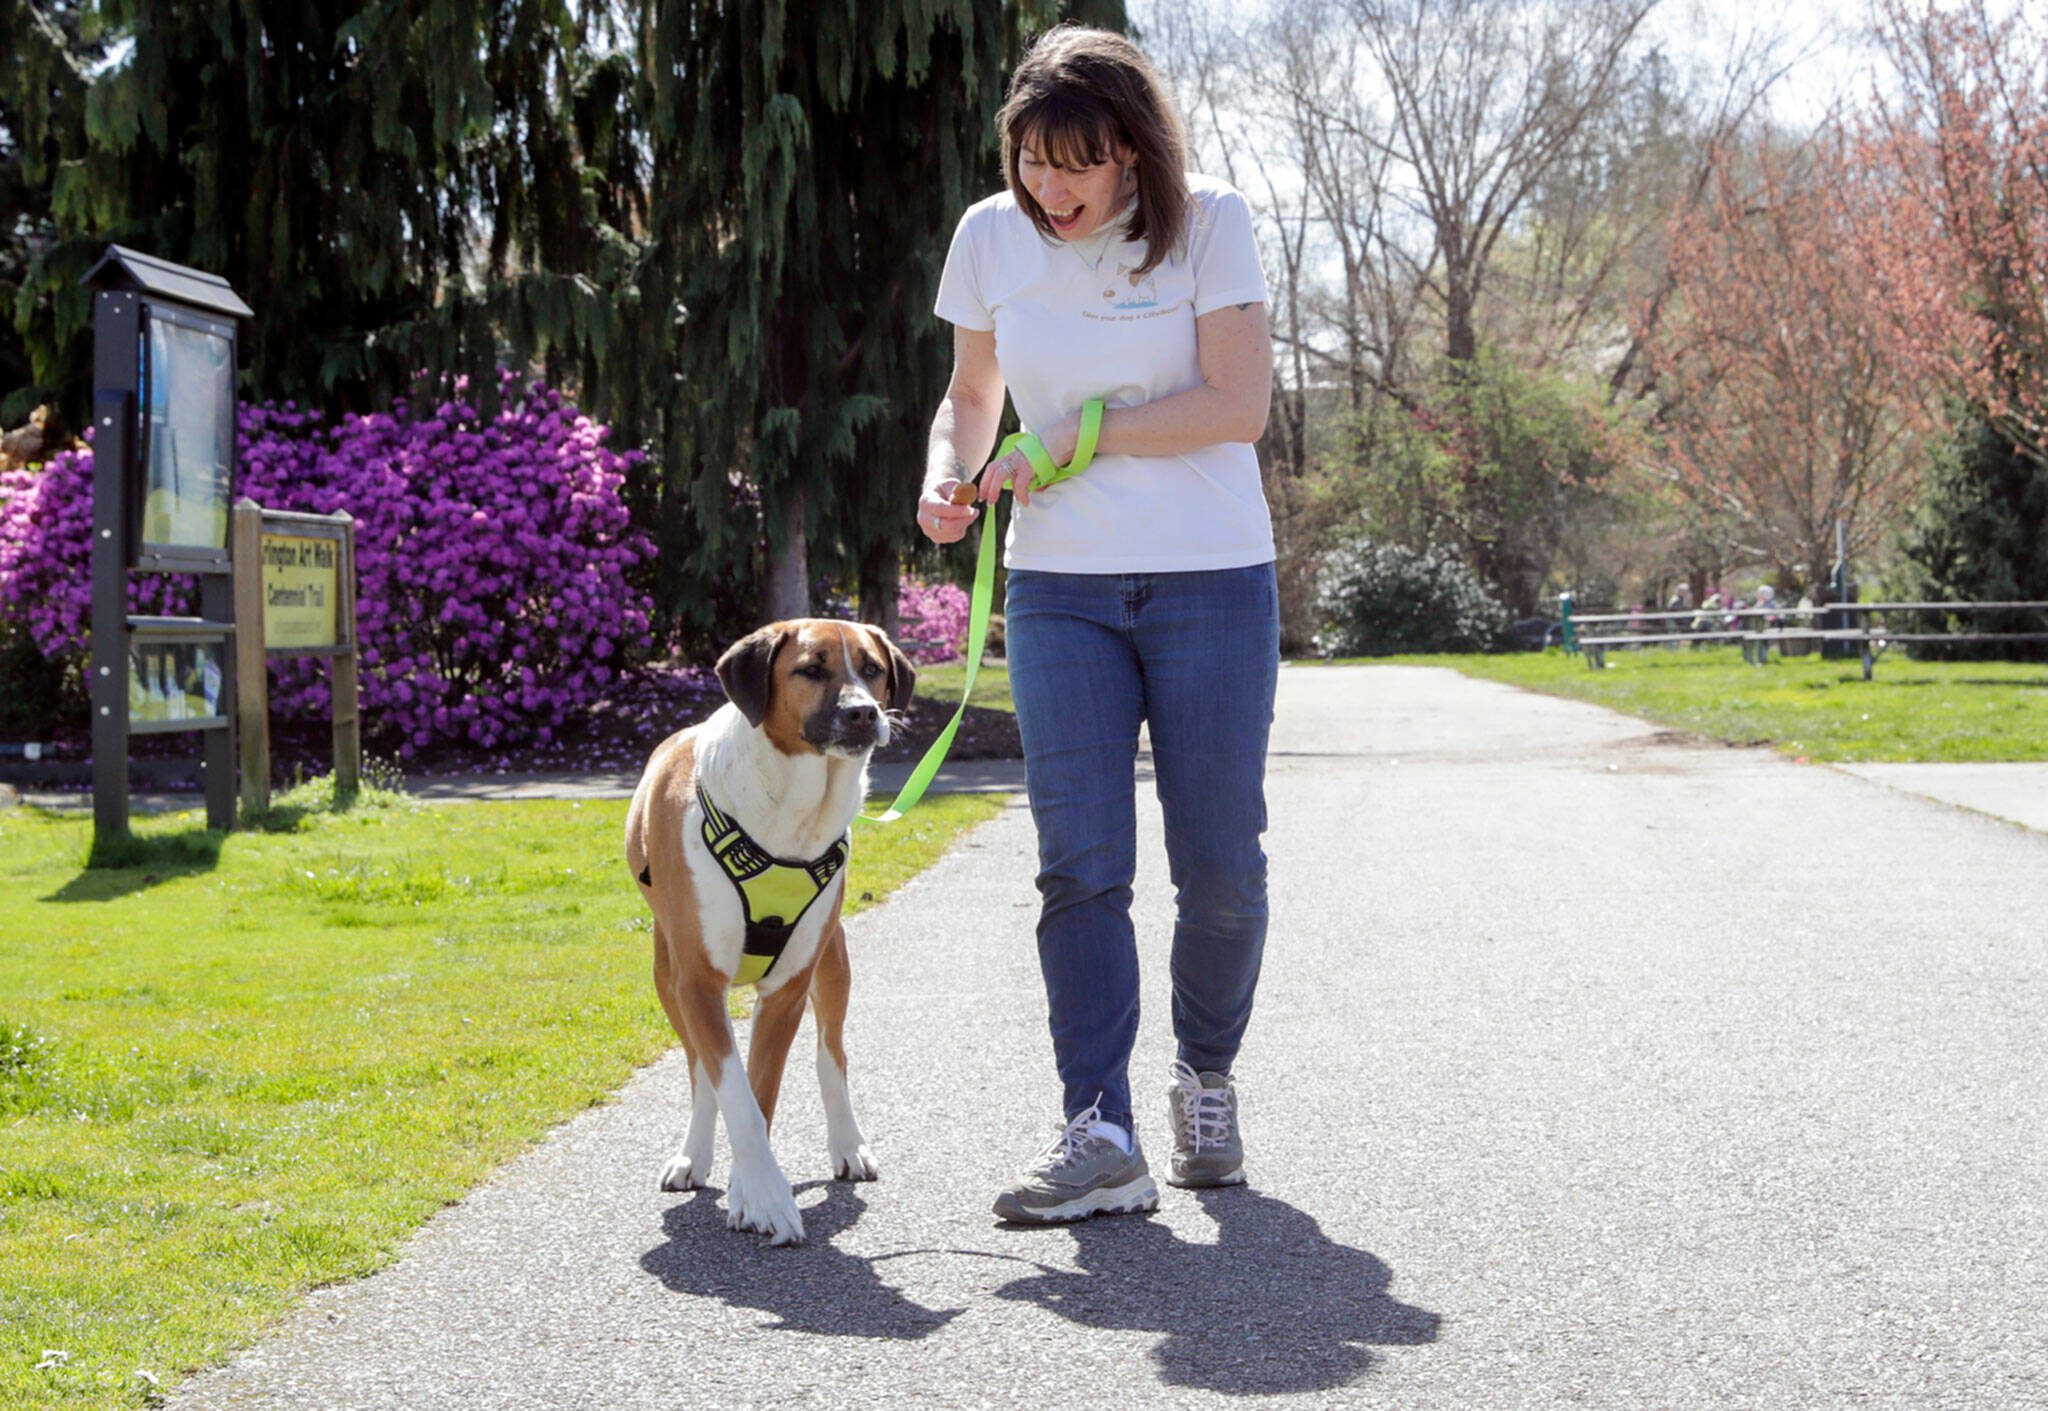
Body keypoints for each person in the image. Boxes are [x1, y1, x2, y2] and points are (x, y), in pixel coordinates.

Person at [914, 24, 1277, 1224]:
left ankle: (1204, 1078)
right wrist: (949, 474)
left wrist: (1078, 436)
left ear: (1130, 149)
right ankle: (1098, 1126)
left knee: (1219, 865)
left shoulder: (1209, 222)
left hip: (1210, 576)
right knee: (1078, 864)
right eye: (1030, 161)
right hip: (1058, 587)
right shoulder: (987, 236)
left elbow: (1236, 404)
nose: (1047, 189)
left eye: (1074, 164)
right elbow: (972, 393)